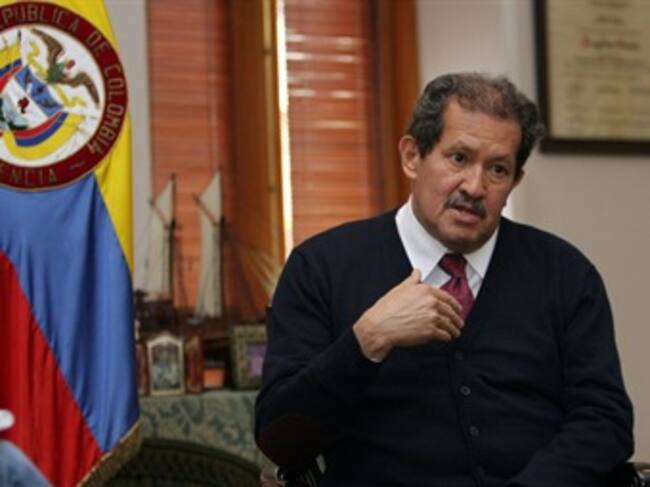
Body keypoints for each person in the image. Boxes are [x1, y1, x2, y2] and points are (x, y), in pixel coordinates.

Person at [255, 72, 634, 486]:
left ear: (515, 182)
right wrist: (367, 340)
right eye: (459, 158)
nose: (474, 186)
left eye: (497, 169)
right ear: (412, 156)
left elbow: (603, 422)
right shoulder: (321, 267)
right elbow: (280, 441)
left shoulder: (565, 273)